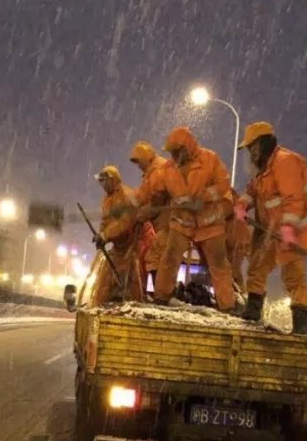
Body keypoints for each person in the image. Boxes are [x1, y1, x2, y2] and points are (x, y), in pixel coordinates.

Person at [234, 121, 307, 334]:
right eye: (249, 148)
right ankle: (252, 313)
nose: (251, 152)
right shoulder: (263, 169)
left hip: (291, 231)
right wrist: (242, 205)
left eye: (253, 146)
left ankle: (300, 326)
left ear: (264, 143)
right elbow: (253, 191)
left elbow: (293, 200)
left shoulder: (285, 162)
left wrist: (288, 228)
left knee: (293, 276)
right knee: (256, 267)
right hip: (269, 230)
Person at [150, 127, 237, 313]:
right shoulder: (167, 169)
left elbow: (223, 184)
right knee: (169, 257)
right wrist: (147, 204)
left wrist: (204, 197)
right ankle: (161, 297)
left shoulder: (210, 159)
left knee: (219, 263)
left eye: (176, 152)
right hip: (182, 222)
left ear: (186, 148)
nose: (173, 156)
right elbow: (153, 191)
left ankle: (228, 306)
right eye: (171, 152)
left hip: (209, 223)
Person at [91, 165, 145, 305]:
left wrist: (105, 235)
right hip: (119, 247)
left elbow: (125, 223)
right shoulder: (107, 199)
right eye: (100, 182)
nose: (102, 185)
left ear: (112, 179)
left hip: (133, 244)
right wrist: (101, 236)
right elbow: (105, 220)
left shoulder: (127, 195)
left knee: (130, 279)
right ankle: (104, 305)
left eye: (104, 181)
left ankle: (133, 306)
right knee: (106, 279)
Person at [128, 141, 172, 291]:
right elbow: (142, 196)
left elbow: (156, 200)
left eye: (139, 161)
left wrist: (141, 213)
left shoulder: (158, 170)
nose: (138, 166)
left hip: (169, 223)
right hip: (166, 223)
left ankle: (163, 295)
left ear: (146, 157)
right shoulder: (152, 172)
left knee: (155, 258)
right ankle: (163, 294)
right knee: (158, 258)